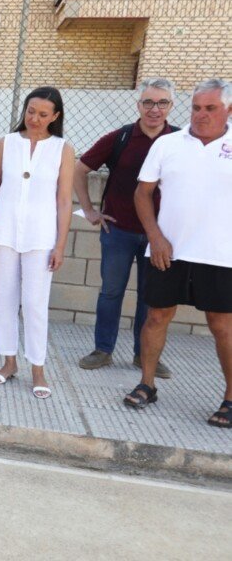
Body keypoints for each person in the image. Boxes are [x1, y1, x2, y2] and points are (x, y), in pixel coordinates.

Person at [124, 78, 232, 429]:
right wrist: (155, 237)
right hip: (168, 250)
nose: (201, 114)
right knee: (156, 316)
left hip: (220, 255)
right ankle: (147, 384)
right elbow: (142, 194)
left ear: (227, 109)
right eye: (197, 107)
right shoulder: (168, 144)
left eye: (210, 108)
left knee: (223, 327)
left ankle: (230, 399)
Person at [75, 78, 178, 378]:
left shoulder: (179, 141)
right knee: (110, 292)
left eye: (162, 103)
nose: (154, 109)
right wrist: (91, 210)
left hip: (159, 237)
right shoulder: (120, 138)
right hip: (118, 232)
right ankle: (103, 350)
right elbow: (80, 168)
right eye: (148, 102)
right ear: (139, 105)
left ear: (171, 106)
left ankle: (144, 354)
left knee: (151, 298)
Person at [0, 87, 75, 399]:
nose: (35, 119)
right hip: (4, 233)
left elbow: (63, 201)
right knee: (4, 300)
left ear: (55, 117)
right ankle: (8, 362)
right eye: (31, 111)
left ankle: (38, 367)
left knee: (35, 304)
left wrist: (60, 245)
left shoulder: (63, 149)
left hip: (42, 237)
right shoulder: (5, 144)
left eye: (43, 114)